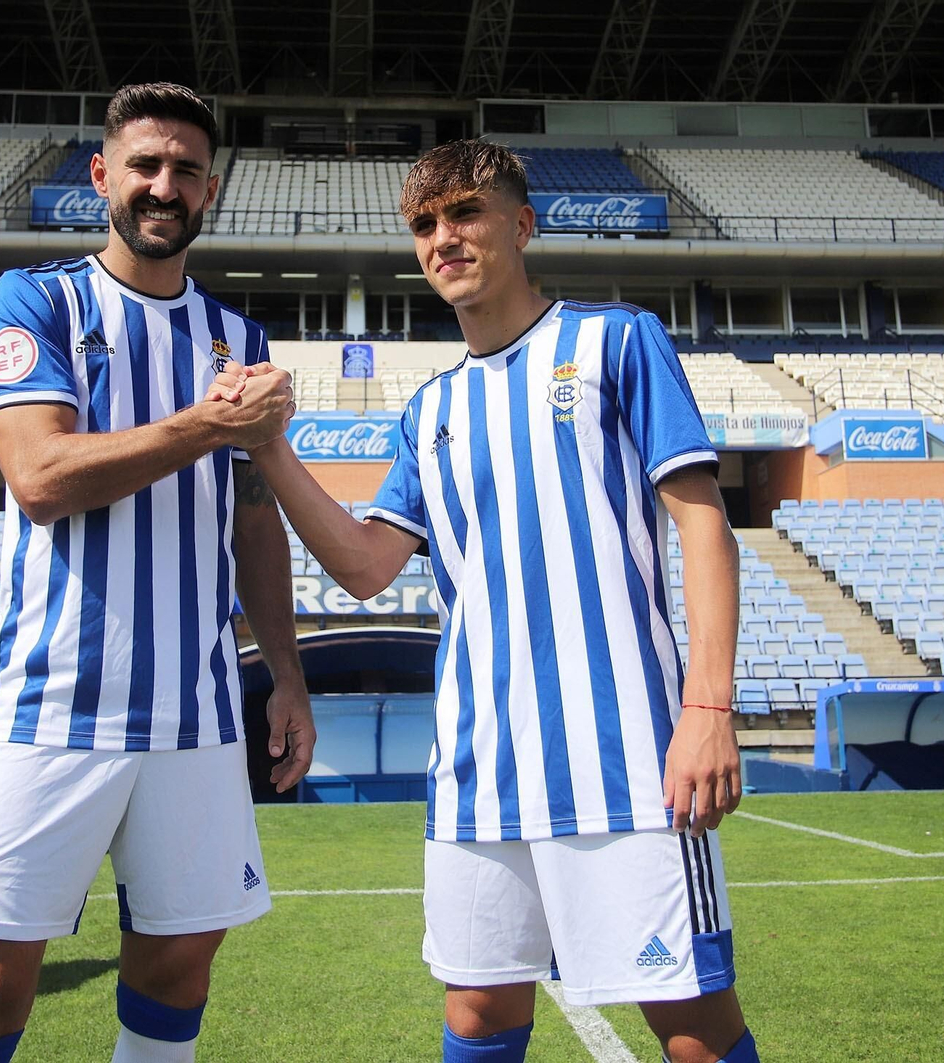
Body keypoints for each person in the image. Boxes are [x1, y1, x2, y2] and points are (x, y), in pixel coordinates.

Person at [211, 140, 757, 1063]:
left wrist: (707, 706)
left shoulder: (616, 342)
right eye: (424, 224)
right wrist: (270, 447)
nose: (443, 238)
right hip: (477, 770)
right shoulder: (429, 410)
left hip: (623, 755)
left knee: (692, 1026)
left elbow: (706, 527)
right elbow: (365, 567)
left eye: (465, 212)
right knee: (477, 1015)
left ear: (522, 223)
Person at [0, 82, 314, 1063]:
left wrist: (290, 677)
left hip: (198, 716)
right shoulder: (35, 299)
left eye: (183, 169)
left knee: (179, 966)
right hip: (53, 706)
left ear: (209, 190)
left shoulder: (239, 341)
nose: (162, 185)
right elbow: (40, 476)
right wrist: (205, 424)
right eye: (144, 165)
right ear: (102, 176)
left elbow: (253, 523)